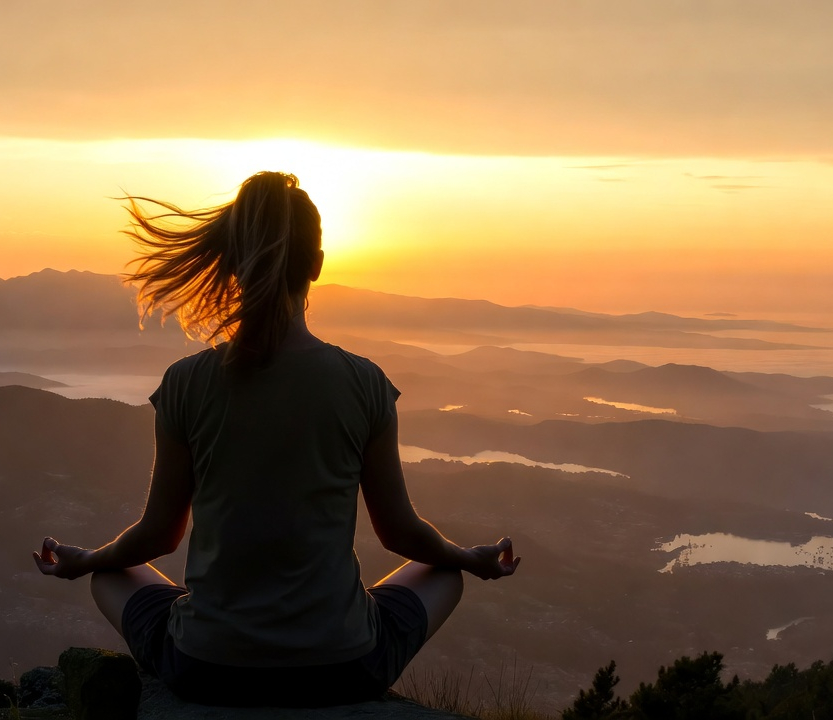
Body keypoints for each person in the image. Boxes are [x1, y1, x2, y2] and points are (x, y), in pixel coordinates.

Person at [34, 171, 520, 707]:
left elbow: (157, 537)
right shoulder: (364, 383)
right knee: (444, 572)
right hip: (343, 665)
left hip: (207, 666)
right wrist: (469, 558)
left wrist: (85, 561)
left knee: (110, 574)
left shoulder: (186, 382)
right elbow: (401, 534)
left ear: (233, 260)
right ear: (316, 264)